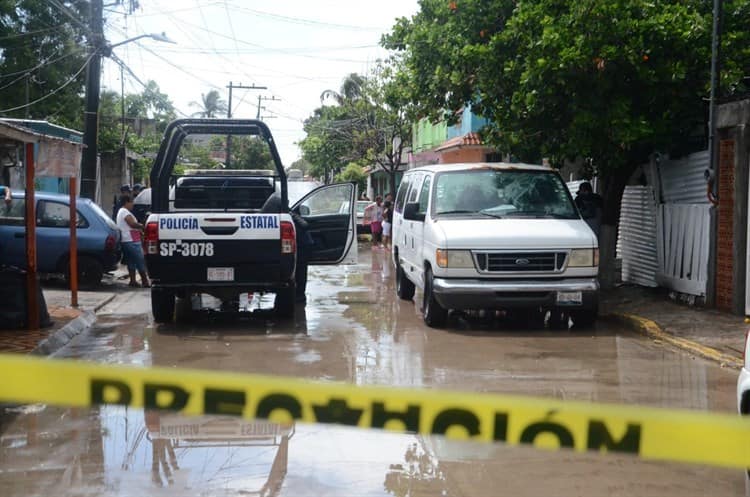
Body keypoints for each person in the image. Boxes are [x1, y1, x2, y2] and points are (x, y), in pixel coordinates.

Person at [261, 192, 312, 304]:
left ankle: (299, 297)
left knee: (300, 272)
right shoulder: (287, 214)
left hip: (302, 245)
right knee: (300, 272)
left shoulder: (287, 216)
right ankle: (299, 296)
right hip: (301, 243)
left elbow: (304, 225)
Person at [116, 194, 150, 288]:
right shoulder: (124, 212)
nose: (132, 204)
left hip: (129, 239)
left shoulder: (122, 211)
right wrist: (142, 226)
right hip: (131, 240)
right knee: (140, 260)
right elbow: (132, 224)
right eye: (131, 202)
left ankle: (133, 281)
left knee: (131, 261)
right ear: (127, 202)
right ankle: (145, 281)